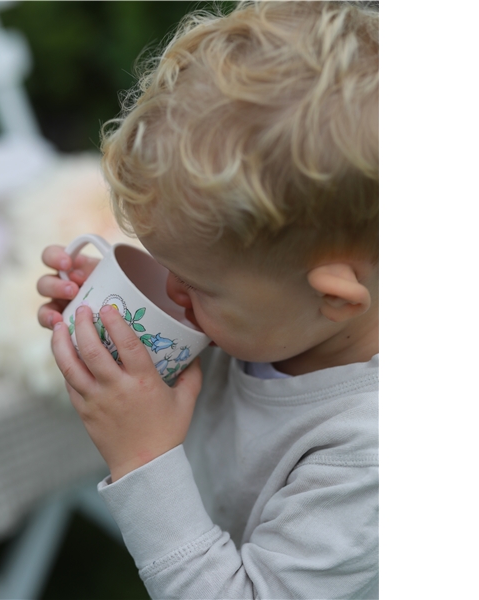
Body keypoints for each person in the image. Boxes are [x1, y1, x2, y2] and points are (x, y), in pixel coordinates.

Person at [37, 1, 379, 598]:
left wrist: (142, 456)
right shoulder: (287, 316)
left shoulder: (368, 457)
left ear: (335, 299)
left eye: (194, 284)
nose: (170, 290)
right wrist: (128, 326)